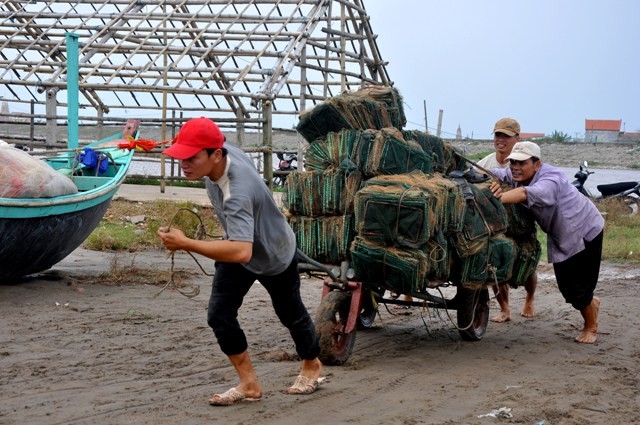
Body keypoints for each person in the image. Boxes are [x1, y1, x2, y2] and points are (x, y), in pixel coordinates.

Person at [157, 117, 324, 406]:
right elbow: (238, 248)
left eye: (191, 157)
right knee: (219, 315)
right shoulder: (222, 152)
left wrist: (186, 243)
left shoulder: (237, 192)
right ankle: (249, 384)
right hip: (237, 239)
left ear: (216, 155)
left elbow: (242, 253)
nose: (183, 163)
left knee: (290, 313)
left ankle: (312, 364)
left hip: (272, 251)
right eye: (181, 156)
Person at [489, 141, 604, 344]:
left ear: (537, 164)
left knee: (579, 287)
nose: (515, 167)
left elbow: (526, 193)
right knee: (566, 287)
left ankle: (591, 327)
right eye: (513, 162)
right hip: (562, 234)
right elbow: (495, 173)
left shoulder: (552, 178)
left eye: (522, 163)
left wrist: (497, 199)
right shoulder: (516, 174)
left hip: (585, 230)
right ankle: (590, 304)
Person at [477, 118, 538, 323]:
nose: (501, 140)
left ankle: (529, 298)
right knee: (495, 264)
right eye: (497, 135)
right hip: (494, 225)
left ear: (517, 139)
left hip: (522, 223)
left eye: (506, 136)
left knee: (527, 263)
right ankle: (505, 309)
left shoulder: (525, 165)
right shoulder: (485, 164)